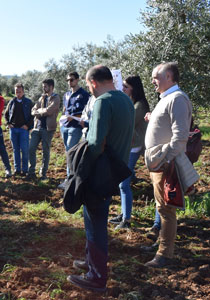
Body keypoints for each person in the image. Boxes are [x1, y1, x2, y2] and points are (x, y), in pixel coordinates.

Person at [66, 65, 134, 292]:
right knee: (93, 218)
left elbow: (95, 143)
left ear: (93, 82)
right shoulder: (125, 99)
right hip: (116, 167)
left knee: (95, 222)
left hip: (100, 169)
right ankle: (91, 261)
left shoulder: (104, 101)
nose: (89, 89)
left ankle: (96, 277)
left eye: (88, 85)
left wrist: (81, 161)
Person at [142, 62, 193, 268]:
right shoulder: (167, 99)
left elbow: (180, 138)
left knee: (166, 210)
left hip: (165, 165)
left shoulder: (178, 99)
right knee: (162, 208)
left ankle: (164, 255)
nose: (153, 80)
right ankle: (162, 247)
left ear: (170, 77)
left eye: (156, 76)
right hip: (160, 164)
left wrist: (166, 160)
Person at [109, 75, 150, 229]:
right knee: (122, 183)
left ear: (134, 88)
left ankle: (126, 219)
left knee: (123, 183)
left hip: (133, 146)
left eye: (126, 87)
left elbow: (127, 123)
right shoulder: (133, 103)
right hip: (128, 145)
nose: (123, 89)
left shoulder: (140, 105)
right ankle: (124, 214)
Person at [59, 72, 90, 188]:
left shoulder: (84, 94)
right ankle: (70, 177)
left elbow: (85, 112)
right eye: (68, 80)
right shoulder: (66, 94)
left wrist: (75, 118)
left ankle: (70, 179)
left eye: (71, 80)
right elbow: (64, 109)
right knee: (68, 152)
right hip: (65, 126)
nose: (69, 82)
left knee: (71, 152)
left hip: (76, 127)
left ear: (77, 80)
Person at [27, 79, 60, 181]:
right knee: (31, 148)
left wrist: (39, 112)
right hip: (37, 127)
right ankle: (31, 171)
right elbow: (33, 110)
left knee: (45, 152)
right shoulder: (42, 97)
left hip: (48, 129)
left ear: (51, 87)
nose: (43, 88)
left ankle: (43, 173)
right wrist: (40, 111)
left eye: (45, 86)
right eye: (43, 86)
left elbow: (49, 111)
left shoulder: (56, 98)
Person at [4, 83, 33, 176]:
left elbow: (33, 116)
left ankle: (25, 170)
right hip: (13, 130)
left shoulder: (28, 102)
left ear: (23, 91)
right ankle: (17, 169)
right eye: (16, 91)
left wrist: (27, 126)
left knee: (24, 150)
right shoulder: (12, 102)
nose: (18, 93)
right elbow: (6, 114)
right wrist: (8, 123)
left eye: (19, 91)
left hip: (24, 130)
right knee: (15, 150)